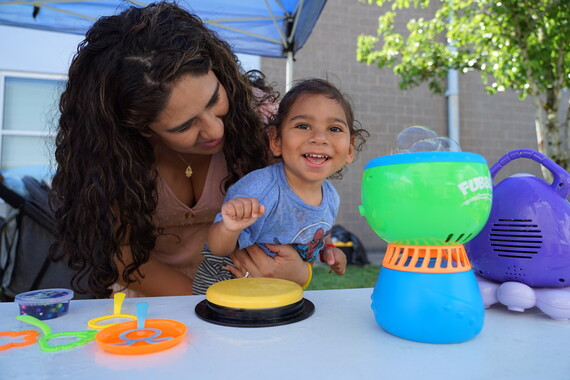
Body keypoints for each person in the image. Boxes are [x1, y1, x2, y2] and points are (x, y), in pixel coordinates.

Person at [50, 2, 323, 298]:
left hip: (245, 289)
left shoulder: (262, 119)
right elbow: (124, 258)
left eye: (214, 100)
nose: (215, 130)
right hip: (156, 301)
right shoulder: (112, 157)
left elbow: (298, 209)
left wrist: (300, 270)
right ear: (142, 128)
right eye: (184, 126)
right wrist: (205, 303)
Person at [193, 78, 369, 294]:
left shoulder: (331, 197)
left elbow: (321, 230)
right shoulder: (260, 188)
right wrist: (230, 227)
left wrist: (329, 249)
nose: (319, 138)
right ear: (276, 140)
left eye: (334, 128)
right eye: (303, 126)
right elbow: (217, 246)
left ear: (350, 149)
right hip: (224, 289)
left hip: (275, 294)